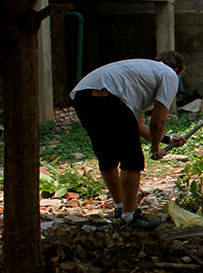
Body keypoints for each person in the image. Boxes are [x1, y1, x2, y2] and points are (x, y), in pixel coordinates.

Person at [70, 51, 187, 229]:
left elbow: (137, 127)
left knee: (107, 155)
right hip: (112, 97)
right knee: (132, 159)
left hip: (82, 96)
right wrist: (155, 149)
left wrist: (167, 139)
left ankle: (120, 208)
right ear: (177, 70)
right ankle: (130, 217)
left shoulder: (139, 73)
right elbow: (157, 121)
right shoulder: (169, 74)